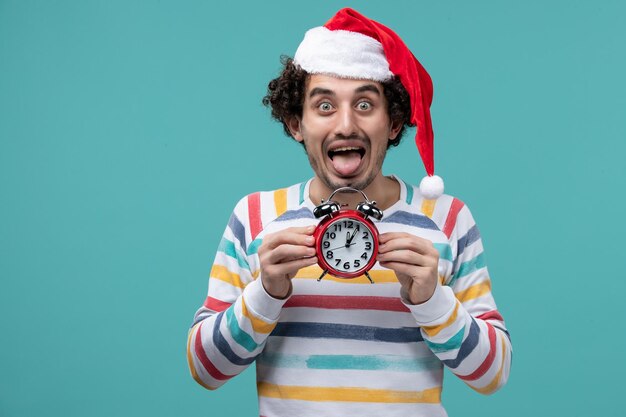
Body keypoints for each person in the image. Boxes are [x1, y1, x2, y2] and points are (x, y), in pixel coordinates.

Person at [187, 8, 512, 417]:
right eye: (324, 106)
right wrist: (265, 292)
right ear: (295, 122)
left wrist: (432, 301)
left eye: (364, 104)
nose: (345, 125)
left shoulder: (446, 218)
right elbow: (205, 369)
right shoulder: (255, 216)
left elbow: (493, 374)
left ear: (394, 122)